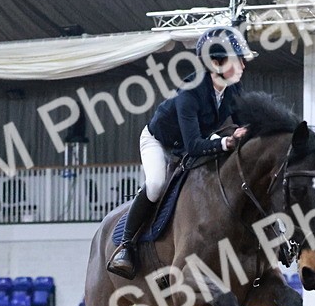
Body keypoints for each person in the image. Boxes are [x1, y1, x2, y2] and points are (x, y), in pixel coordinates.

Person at [107, 26, 256, 279]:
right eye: (237, 59)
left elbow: (244, 124)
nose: (243, 64)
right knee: (156, 185)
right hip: (160, 142)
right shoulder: (191, 91)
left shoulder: (233, 89)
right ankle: (127, 245)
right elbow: (193, 146)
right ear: (216, 62)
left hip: (196, 139)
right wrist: (227, 142)